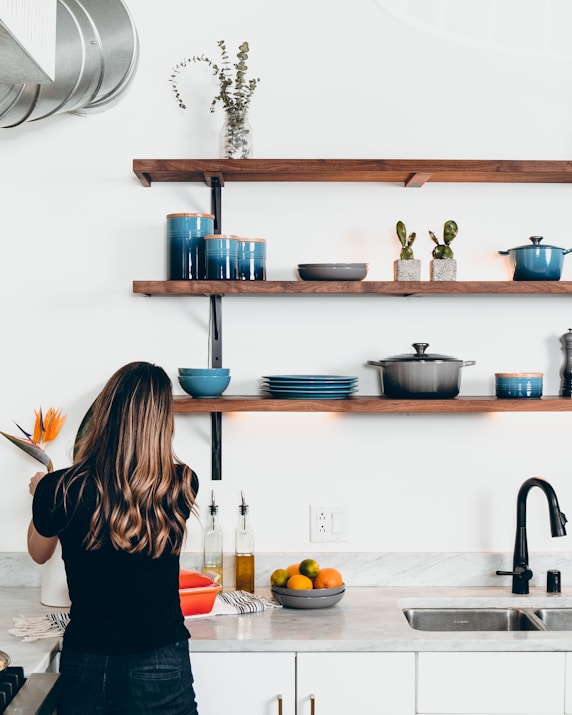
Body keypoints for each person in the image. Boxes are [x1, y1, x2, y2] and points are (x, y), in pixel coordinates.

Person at [28, 361, 200, 715]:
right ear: (163, 423)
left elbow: (38, 552)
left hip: (86, 660)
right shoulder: (182, 483)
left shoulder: (59, 487)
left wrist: (40, 498)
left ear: (104, 412)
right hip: (159, 659)